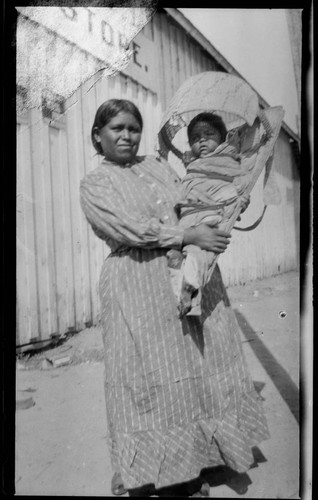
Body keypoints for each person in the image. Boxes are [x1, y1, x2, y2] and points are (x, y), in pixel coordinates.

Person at [80, 99, 270, 497]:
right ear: (98, 136)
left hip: (183, 273)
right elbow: (128, 229)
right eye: (117, 128)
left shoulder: (159, 166)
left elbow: (191, 202)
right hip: (135, 283)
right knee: (148, 376)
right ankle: (147, 470)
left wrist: (225, 202)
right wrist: (187, 236)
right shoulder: (95, 184)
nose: (127, 135)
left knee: (197, 364)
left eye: (133, 127)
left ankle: (196, 460)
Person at [167, 112, 251, 317]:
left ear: (222, 139)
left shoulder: (228, 160)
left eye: (208, 134)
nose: (201, 140)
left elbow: (234, 191)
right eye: (195, 138)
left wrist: (242, 203)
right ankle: (187, 296)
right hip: (189, 216)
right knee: (177, 253)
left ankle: (189, 291)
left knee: (198, 252)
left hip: (211, 216)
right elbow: (187, 189)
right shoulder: (193, 166)